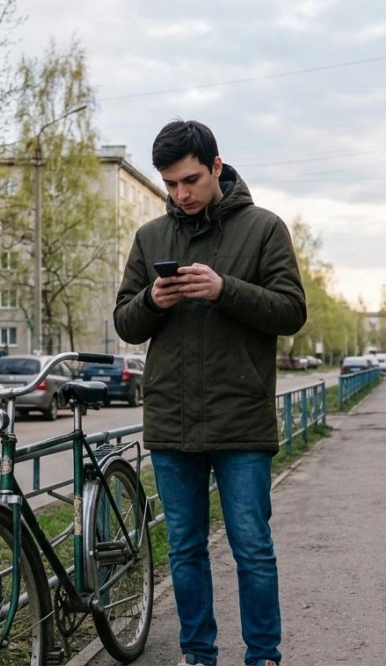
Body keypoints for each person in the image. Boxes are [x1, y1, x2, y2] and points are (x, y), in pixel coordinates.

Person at [113, 120, 306, 666]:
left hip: (241, 419)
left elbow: (292, 311)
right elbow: (126, 323)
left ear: (217, 167)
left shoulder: (265, 229)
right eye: (171, 185)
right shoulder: (151, 238)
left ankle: (263, 655)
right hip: (172, 423)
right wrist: (154, 299)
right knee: (185, 551)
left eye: (191, 180)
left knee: (251, 547)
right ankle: (198, 655)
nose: (182, 194)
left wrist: (225, 290)